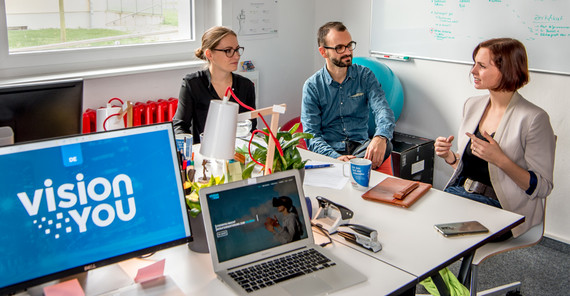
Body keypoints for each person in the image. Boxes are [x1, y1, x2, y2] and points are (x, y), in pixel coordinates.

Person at [434, 38, 555, 238]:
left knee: (433, 230)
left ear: (506, 70)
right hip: (462, 195)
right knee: (416, 218)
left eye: (481, 66)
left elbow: (542, 187)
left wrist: (499, 159)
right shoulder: (472, 105)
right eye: (474, 64)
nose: (473, 71)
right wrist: (450, 157)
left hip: (503, 209)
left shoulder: (534, 118)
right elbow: (475, 169)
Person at [301, 21, 395, 170]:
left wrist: (380, 137)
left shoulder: (365, 76)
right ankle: (348, 167)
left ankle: (347, 167)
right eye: (339, 48)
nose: (347, 52)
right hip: (330, 151)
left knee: (386, 144)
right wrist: (335, 158)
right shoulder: (312, 86)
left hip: (361, 148)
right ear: (323, 52)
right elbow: (311, 135)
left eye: (349, 45)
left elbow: (383, 110)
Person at [172, 26, 256, 142]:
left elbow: (252, 128)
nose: (236, 56)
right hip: (203, 154)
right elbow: (179, 126)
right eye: (228, 51)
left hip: (237, 153)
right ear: (209, 54)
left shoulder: (246, 86)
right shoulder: (192, 84)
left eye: (237, 49)